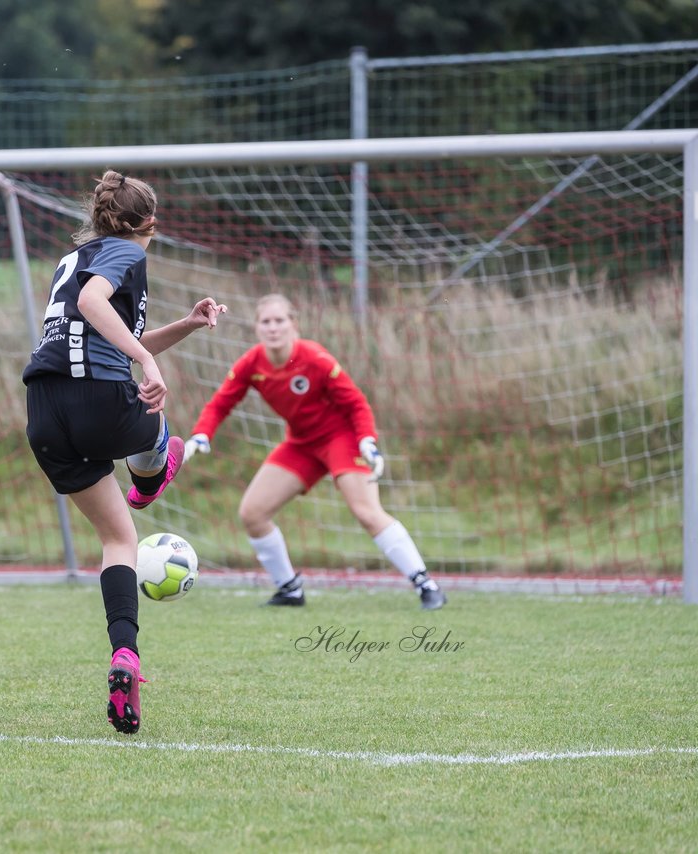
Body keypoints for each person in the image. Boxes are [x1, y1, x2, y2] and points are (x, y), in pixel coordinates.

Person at [23, 170, 227, 735]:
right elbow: (95, 306)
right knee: (160, 433)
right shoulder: (122, 254)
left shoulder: (79, 257)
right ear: (148, 226)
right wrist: (151, 364)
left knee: (118, 540)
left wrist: (183, 327)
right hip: (100, 404)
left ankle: (125, 658)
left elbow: (103, 327)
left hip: (44, 415)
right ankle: (155, 465)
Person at [183, 293, 446, 610]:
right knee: (252, 513)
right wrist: (200, 435)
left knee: (366, 511)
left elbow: (356, 403)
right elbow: (221, 403)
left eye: (280, 320)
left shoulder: (316, 358)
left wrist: (367, 440)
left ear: (294, 324)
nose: (273, 327)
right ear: (257, 328)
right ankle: (289, 590)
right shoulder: (251, 363)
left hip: (341, 440)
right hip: (301, 444)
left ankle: (426, 585)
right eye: (266, 322)